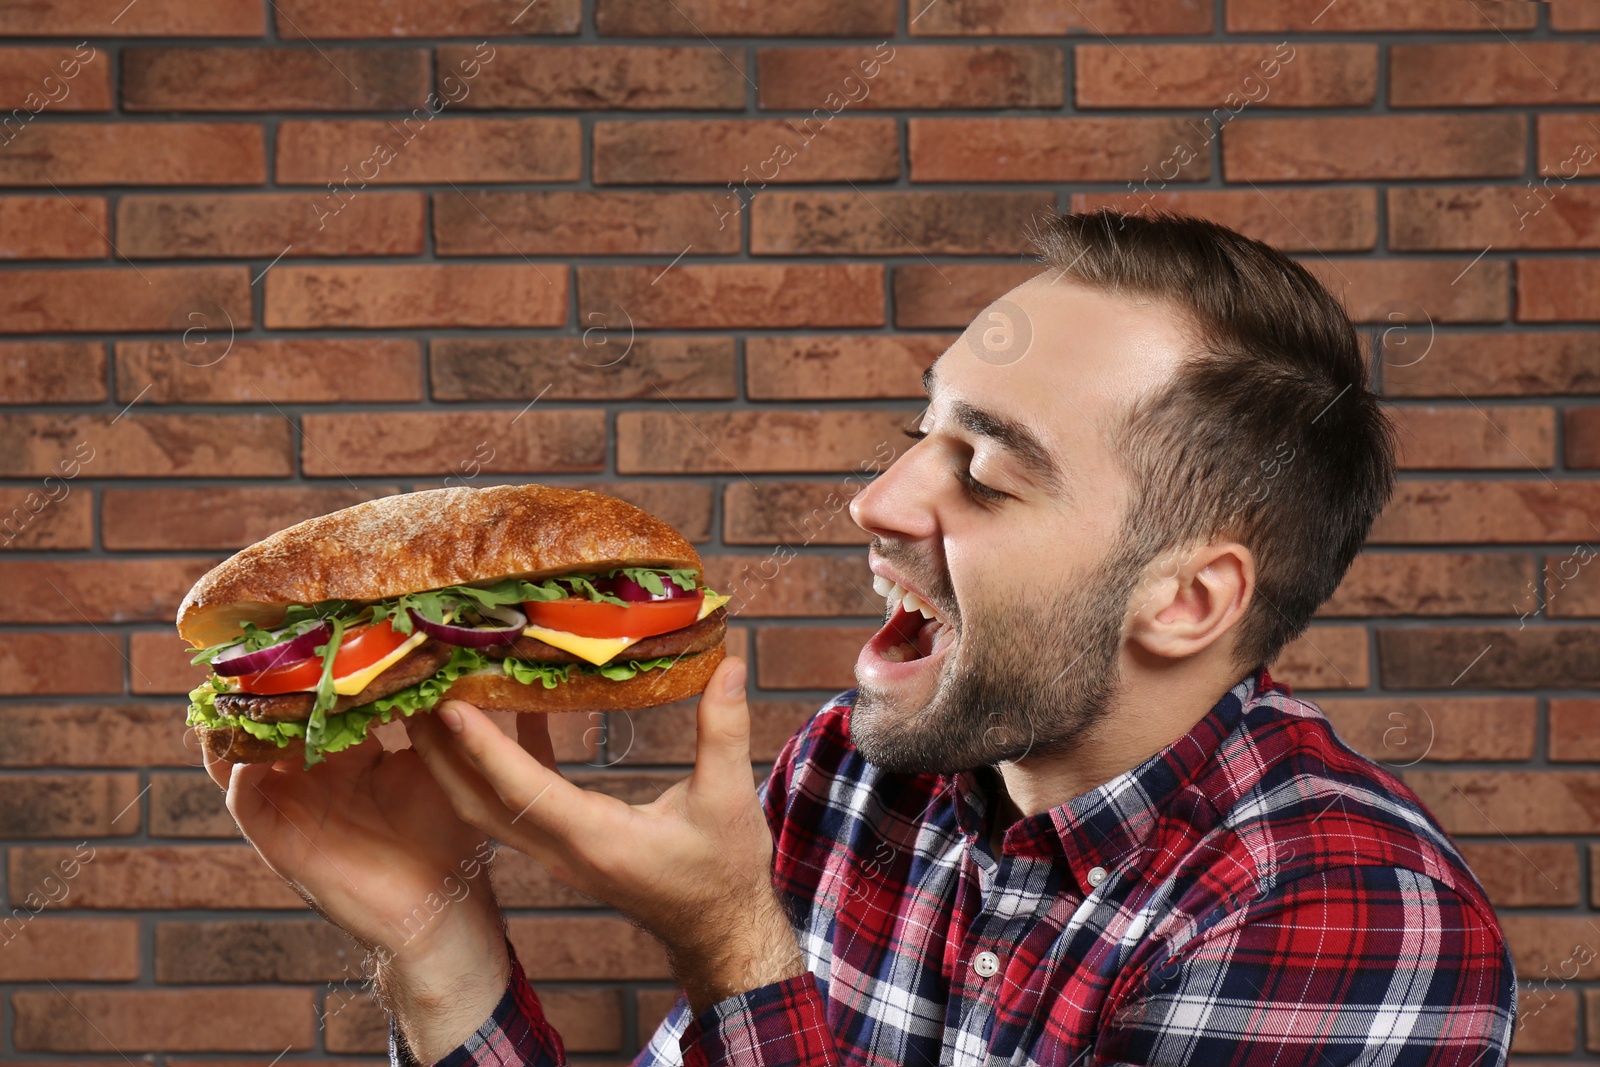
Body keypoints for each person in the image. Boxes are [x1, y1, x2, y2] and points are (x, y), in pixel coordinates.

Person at [206, 209, 1517, 1066]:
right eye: (919, 436)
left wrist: (734, 952)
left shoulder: (1344, 913)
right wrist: (443, 952)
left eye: (989, 477)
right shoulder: (848, 780)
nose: (880, 502)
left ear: (1186, 601)